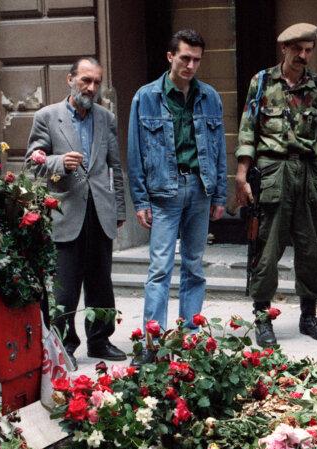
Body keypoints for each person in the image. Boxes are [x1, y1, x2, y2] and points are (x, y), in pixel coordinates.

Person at [234, 23, 317, 347]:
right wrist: (241, 174)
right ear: (284, 49)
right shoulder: (262, 82)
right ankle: (262, 319)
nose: (303, 56)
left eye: (308, 50)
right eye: (298, 50)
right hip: (273, 171)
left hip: (307, 172)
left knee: (309, 249)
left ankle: (309, 316)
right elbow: (248, 129)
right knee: (266, 249)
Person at [127, 29, 226, 359]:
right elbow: (135, 152)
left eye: (197, 59)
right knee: (159, 269)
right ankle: (153, 344)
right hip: (163, 193)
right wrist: (140, 200)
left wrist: (220, 194)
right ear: (171, 56)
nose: (191, 65)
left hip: (199, 189)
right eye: (185, 58)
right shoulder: (146, 97)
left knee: (194, 267)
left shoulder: (209, 97)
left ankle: (190, 340)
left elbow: (219, 148)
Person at [26, 57, 126, 362]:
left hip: (100, 211)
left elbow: (114, 167)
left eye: (96, 82)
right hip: (65, 212)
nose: (91, 87)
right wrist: (59, 162)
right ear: (70, 79)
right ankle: (63, 344)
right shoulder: (47, 116)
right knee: (64, 287)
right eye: (86, 80)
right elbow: (32, 163)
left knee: (101, 283)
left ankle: (100, 340)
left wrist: (119, 210)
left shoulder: (106, 118)